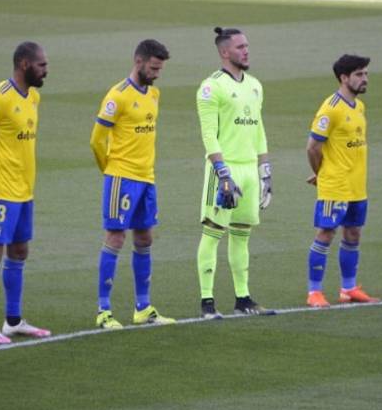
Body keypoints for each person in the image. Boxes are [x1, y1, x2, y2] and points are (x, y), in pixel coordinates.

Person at [0, 42, 52, 343]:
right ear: (24, 64)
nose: (46, 70)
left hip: (23, 190)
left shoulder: (33, 97)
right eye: (41, 65)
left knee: (19, 251)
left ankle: (13, 321)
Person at [90, 39, 176, 328]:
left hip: (146, 178)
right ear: (138, 61)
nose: (157, 74)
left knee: (144, 238)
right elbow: (96, 140)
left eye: (160, 69)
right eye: (153, 68)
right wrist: (109, 170)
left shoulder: (154, 94)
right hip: (121, 177)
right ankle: (104, 311)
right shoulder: (118, 96)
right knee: (116, 238)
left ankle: (143, 307)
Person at [195, 27, 276, 319]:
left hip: (249, 170)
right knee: (213, 232)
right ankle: (207, 303)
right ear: (224, 52)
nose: (246, 51)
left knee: (242, 235)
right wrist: (223, 173)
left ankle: (243, 299)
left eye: (247, 46)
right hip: (224, 170)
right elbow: (208, 135)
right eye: (240, 47)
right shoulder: (211, 87)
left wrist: (265, 171)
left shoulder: (255, 86)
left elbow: (258, 129)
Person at [305, 54, 379, 307]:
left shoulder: (359, 107)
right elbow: (313, 147)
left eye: (366, 73)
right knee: (326, 233)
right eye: (359, 74)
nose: (365, 78)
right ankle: (314, 292)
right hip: (335, 184)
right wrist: (321, 173)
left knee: (353, 233)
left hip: (357, 184)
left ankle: (348, 288)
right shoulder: (331, 109)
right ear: (344, 78)